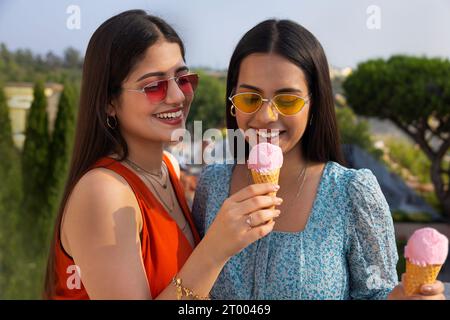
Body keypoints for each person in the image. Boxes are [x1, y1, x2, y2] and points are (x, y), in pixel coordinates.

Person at [192, 19, 445, 300]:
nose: (265, 117)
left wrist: (408, 296)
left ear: (314, 105)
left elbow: (376, 293)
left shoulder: (352, 192)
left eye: (287, 100)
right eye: (250, 99)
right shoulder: (212, 185)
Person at [44, 10, 281, 299]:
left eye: (183, 79)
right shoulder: (103, 192)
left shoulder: (169, 168)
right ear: (109, 102)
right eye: (153, 86)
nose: (178, 96)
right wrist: (215, 250)